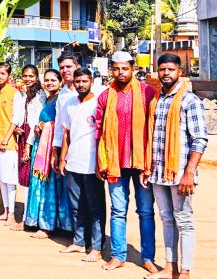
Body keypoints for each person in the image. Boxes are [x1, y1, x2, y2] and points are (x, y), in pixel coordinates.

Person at [142, 54, 208, 279]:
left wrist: (189, 173)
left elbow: (199, 140)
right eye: (162, 69)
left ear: (179, 72)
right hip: (158, 172)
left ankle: (186, 271)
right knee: (166, 219)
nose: (166, 73)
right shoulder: (157, 100)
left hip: (180, 173)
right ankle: (170, 268)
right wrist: (147, 167)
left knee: (184, 221)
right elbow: (152, 137)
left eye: (170, 69)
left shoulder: (190, 101)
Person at [96, 51, 158, 273]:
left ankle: (147, 257)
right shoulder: (105, 96)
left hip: (143, 163)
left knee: (145, 211)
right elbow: (98, 129)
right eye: (116, 68)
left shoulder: (147, 92)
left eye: (125, 68)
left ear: (132, 68)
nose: (120, 73)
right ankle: (118, 255)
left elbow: (156, 126)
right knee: (118, 210)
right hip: (115, 162)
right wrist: (100, 160)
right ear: (111, 70)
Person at [57, 67, 106, 263]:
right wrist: (62, 158)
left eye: (84, 81)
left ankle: (96, 246)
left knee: (95, 207)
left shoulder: (98, 102)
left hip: (93, 164)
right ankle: (78, 242)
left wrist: (101, 162)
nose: (81, 85)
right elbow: (66, 134)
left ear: (91, 81)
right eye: (78, 82)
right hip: (73, 163)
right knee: (76, 206)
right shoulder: (68, 104)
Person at [23, 69, 72, 239]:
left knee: (50, 186)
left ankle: (48, 225)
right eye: (47, 80)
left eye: (53, 80)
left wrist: (45, 125)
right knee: (40, 184)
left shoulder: (61, 100)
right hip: (41, 144)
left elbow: (61, 123)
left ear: (60, 82)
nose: (50, 83)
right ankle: (38, 221)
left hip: (52, 146)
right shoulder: (47, 98)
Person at [0, 62, 25, 228]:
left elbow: (17, 119)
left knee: (9, 178)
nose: (0, 76)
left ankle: (11, 215)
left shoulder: (15, 94)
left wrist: (6, 138)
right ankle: (5, 210)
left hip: (7, 142)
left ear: (9, 75)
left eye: (3, 73)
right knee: (1, 178)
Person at [18, 65, 45, 189]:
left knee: (31, 172)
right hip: (24, 132)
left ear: (36, 77)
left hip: (33, 135)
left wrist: (28, 145)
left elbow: (35, 121)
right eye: (25, 76)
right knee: (24, 173)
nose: (28, 79)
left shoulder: (40, 94)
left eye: (31, 76)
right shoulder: (24, 92)